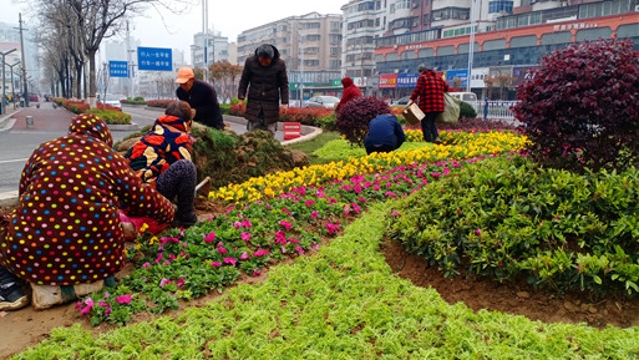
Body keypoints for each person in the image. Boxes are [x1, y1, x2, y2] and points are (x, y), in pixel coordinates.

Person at [0, 114, 175, 311]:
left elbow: (23, 197)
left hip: (35, 256)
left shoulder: (44, 151)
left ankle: (9, 288)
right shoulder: (111, 158)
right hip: (99, 260)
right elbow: (144, 198)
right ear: (105, 136)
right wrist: (169, 212)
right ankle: (84, 283)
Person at [125, 101, 199, 228]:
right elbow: (185, 177)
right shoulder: (180, 138)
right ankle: (185, 217)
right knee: (186, 167)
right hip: (147, 198)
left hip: (126, 198)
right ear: (188, 123)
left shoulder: (149, 136)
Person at [238, 44, 289, 135]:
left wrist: (285, 103)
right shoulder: (250, 62)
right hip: (254, 100)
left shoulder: (280, 64)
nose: (264, 63)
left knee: (269, 130)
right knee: (253, 132)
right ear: (258, 57)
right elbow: (244, 81)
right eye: (261, 60)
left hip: (271, 102)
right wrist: (241, 98)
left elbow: (284, 84)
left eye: (266, 61)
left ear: (272, 58)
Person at [410, 63, 450, 143]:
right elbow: (447, 88)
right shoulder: (439, 78)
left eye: (419, 72)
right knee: (431, 121)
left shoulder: (422, 78)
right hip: (439, 106)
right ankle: (436, 137)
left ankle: (427, 141)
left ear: (421, 72)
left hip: (427, 105)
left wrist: (411, 99)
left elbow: (417, 90)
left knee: (425, 123)